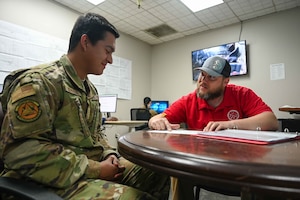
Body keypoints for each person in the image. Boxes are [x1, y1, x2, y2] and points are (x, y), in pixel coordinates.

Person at [0, 13, 169, 200]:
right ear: (85, 42)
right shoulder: (40, 82)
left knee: (160, 172)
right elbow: (20, 152)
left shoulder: (90, 90)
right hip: (43, 181)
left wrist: (108, 154)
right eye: (108, 50)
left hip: (86, 170)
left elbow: (95, 135)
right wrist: (96, 169)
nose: (110, 60)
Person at [148, 55, 279, 199]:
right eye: (202, 75)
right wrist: (155, 121)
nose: (203, 81)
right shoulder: (189, 100)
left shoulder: (242, 94)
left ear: (226, 82)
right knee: (178, 170)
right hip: (201, 165)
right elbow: (158, 118)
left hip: (240, 166)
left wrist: (229, 125)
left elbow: (271, 121)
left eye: (211, 77)